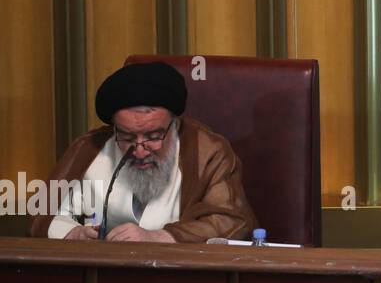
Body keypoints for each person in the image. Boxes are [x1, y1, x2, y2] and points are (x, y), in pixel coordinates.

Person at [29, 61, 257, 243]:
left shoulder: (208, 152)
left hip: (181, 281)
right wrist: (71, 233)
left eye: (153, 136)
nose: (139, 150)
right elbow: (43, 213)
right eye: (127, 137)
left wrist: (161, 236)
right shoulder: (90, 149)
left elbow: (232, 220)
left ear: (174, 124)